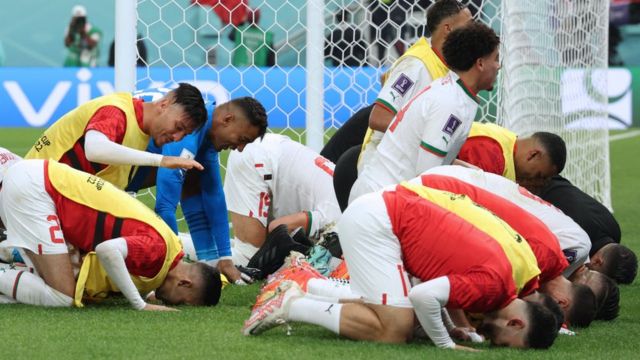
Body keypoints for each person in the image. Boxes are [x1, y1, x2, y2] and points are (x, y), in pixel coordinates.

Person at [244, 182, 559, 349]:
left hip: (385, 214)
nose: (497, 345)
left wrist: (452, 328)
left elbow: (437, 285)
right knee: (396, 328)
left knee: (407, 320)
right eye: (507, 346)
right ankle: (290, 304)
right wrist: (446, 344)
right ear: (516, 324)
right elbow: (423, 295)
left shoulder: (503, 283)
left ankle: (306, 284)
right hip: (380, 223)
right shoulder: (493, 288)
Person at [0, 153, 222, 310]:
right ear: (184, 283)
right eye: (181, 302)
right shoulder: (158, 251)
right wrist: (139, 304)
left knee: (61, 275)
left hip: (41, 181)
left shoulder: (170, 249)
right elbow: (107, 250)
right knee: (62, 296)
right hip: (40, 190)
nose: (171, 303)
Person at [323, 0, 473, 208]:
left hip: (401, 175)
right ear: (448, 28)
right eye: (469, 24)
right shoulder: (417, 65)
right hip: (381, 178)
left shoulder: (443, 68)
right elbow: (379, 117)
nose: (473, 30)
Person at [409, 167, 597, 327]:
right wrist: (465, 325)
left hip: (445, 186)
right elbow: (461, 273)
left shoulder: (551, 257)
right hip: (436, 192)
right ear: (561, 303)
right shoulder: (535, 263)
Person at [348, 21, 500, 204]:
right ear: (480, 64)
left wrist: (476, 176)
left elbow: (434, 161)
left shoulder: (453, 93)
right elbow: (427, 178)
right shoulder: (451, 103)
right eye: (496, 58)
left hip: (386, 197)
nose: (498, 66)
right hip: (380, 202)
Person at [130, 89, 268, 284]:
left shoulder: (204, 130)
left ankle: (209, 262)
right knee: (184, 178)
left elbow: (214, 196)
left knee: (195, 179)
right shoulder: (187, 131)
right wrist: (176, 266)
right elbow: (164, 207)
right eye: (243, 139)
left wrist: (225, 259)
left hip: (125, 173)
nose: (240, 148)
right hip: (100, 172)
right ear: (227, 120)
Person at [24, 83, 207, 190]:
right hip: (34, 190)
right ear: (164, 104)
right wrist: (162, 160)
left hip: (53, 196)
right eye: (178, 127)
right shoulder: (117, 111)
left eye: (184, 134)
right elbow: (95, 150)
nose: (177, 138)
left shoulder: (141, 132)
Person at [223, 133, 341, 267]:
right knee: (248, 260)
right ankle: (198, 252)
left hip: (273, 149)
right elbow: (278, 227)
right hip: (257, 160)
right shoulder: (336, 220)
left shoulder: (352, 200)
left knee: (252, 247)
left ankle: (210, 248)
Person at [538, 175, 637, 284]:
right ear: (598, 262)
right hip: (530, 184)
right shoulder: (576, 243)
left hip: (550, 177)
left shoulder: (614, 231)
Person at [457, 122, 567, 191]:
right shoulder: (493, 154)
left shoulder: (506, 142)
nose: (538, 184)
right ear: (533, 155)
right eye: (538, 177)